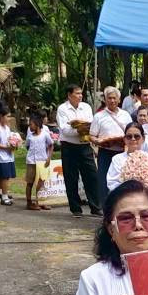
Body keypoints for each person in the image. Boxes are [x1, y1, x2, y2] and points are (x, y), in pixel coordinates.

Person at [57, 84, 102, 218]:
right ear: (69, 95)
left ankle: (95, 206)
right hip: (69, 146)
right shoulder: (62, 109)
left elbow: (91, 124)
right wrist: (79, 129)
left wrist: (85, 129)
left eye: (81, 93)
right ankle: (75, 208)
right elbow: (65, 129)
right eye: (77, 93)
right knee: (71, 177)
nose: (80, 96)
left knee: (92, 176)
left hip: (84, 145)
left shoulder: (86, 107)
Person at [92, 86, 134, 195]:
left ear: (119, 100)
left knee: (123, 179)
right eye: (109, 98)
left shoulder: (125, 115)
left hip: (123, 152)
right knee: (104, 181)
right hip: (105, 152)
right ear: (105, 100)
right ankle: (105, 208)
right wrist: (99, 141)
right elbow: (91, 135)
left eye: (114, 98)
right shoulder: (98, 116)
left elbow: (131, 131)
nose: (112, 100)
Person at [106, 122, 148, 192]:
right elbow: (112, 183)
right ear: (125, 139)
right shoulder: (117, 159)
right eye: (129, 136)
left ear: (143, 138)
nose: (133, 139)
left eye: (137, 136)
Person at [24, 111, 54, 211]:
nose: (29, 126)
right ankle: (29, 202)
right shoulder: (30, 136)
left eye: (31, 124)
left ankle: (40, 201)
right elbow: (27, 146)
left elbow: (50, 145)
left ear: (36, 124)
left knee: (41, 182)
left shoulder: (45, 134)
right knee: (30, 182)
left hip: (42, 161)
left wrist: (49, 157)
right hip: (31, 162)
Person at [0, 108, 18, 206]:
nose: (9, 118)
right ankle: (4, 197)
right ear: (1, 116)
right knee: (4, 177)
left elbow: (10, 139)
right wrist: (7, 147)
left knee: (6, 177)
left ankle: (3, 193)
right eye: (7, 116)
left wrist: (15, 144)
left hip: (9, 155)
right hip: (1, 156)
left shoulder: (7, 127)